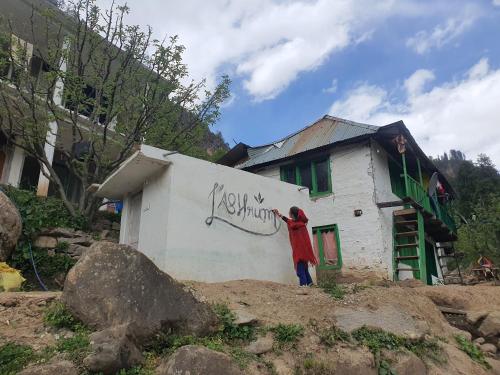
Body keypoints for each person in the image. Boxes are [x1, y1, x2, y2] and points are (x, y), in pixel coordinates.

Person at [272, 206, 318, 286]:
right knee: (305, 269)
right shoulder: (301, 224)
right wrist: (279, 214)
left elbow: (289, 222)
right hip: (304, 251)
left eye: (289, 212)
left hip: (298, 251)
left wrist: (279, 214)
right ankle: (310, 284)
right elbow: (288, 221)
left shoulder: (296, 225)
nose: (288, 213)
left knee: (300, 271)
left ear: (292, 214)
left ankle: (303, 286)